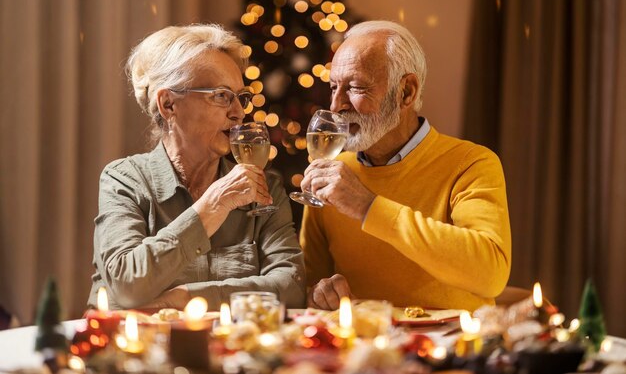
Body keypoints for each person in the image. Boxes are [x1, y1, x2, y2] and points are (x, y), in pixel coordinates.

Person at [88, 24, 305, 310]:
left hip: (232, 352)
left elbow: (291, 286)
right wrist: (211, 207)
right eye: (221, 96)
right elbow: (128, 285)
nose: (239, 112)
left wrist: (188, 298)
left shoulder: (265, 188)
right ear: (168, 105)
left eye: (241, 97)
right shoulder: (125, 180)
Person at [300, 20, 511, 311]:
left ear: (406, 92)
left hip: (449, 349)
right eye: (334, 87)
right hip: (360, 349)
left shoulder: (471, 163)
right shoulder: (334, 172)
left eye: (356, 87)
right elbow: (310, 281)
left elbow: (490, 274)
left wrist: (367, 207)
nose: (336, 105)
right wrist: (316, 293)